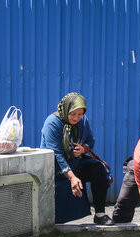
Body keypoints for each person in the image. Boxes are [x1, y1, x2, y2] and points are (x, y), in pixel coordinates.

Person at [40, 92, 113, 225]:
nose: (76, 118)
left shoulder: (83, 121)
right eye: (73, 114)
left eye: (80, 114)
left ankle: (100, 214)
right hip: (54, 168)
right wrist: (72, 177)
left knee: (98, 168)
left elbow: (91, 140)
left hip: (76, 163)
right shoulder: (52, 123)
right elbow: (55, 154)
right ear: (66, 109)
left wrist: (84, 149)